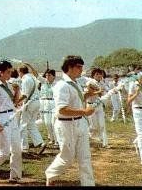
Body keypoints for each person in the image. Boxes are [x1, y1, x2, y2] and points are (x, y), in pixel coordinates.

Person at [45, 55, 96, 186]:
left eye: (81, 67)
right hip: (66, 125)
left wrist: (88, 94)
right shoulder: (61, 86)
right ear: (69, 67)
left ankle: (88, 184)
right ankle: (51, 173)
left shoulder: (75, 83)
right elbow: (62, 109)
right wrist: (84, 111)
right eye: (78, 67)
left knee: (85, 158)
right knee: (67, 158)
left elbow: (77, 99)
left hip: (80, 123)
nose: (81, 70)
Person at [17, 64, 45, 152]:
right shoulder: (33, 77)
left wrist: (16, 102)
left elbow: (24, 95)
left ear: (20, 72)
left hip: (30, 103)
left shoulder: (25, 80)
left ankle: (24, 147)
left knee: (23, 125)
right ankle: (40, 142)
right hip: (37, 102)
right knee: (31, 124)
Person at [126, 73, 142, 166]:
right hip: (137, 110)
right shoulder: (133, 85)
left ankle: (137, 142)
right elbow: (128, 100)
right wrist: (136, 93)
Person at [87, 68, 109, 148]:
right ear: (93, 75)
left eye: (100, 74)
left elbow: (107, 91)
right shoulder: (90, 83)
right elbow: (88, 93)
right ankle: (88, 137)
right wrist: (98, 92)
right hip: (91, 105)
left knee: (102, 124)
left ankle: (105, 143)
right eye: (97, 74)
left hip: (99, 105)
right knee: (93, 126)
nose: (99, 76)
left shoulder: (103, 83)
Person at [38, 69, 58, 147]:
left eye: (49, 75)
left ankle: (57, 140)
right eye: (46, 75)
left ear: (54, 76)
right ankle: (51, 139)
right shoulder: (44, 83)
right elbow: (36, 75)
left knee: (54, 123)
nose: (47, 77)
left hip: (54, 103)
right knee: (47, 123)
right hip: (45, 104)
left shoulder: (56, 85)